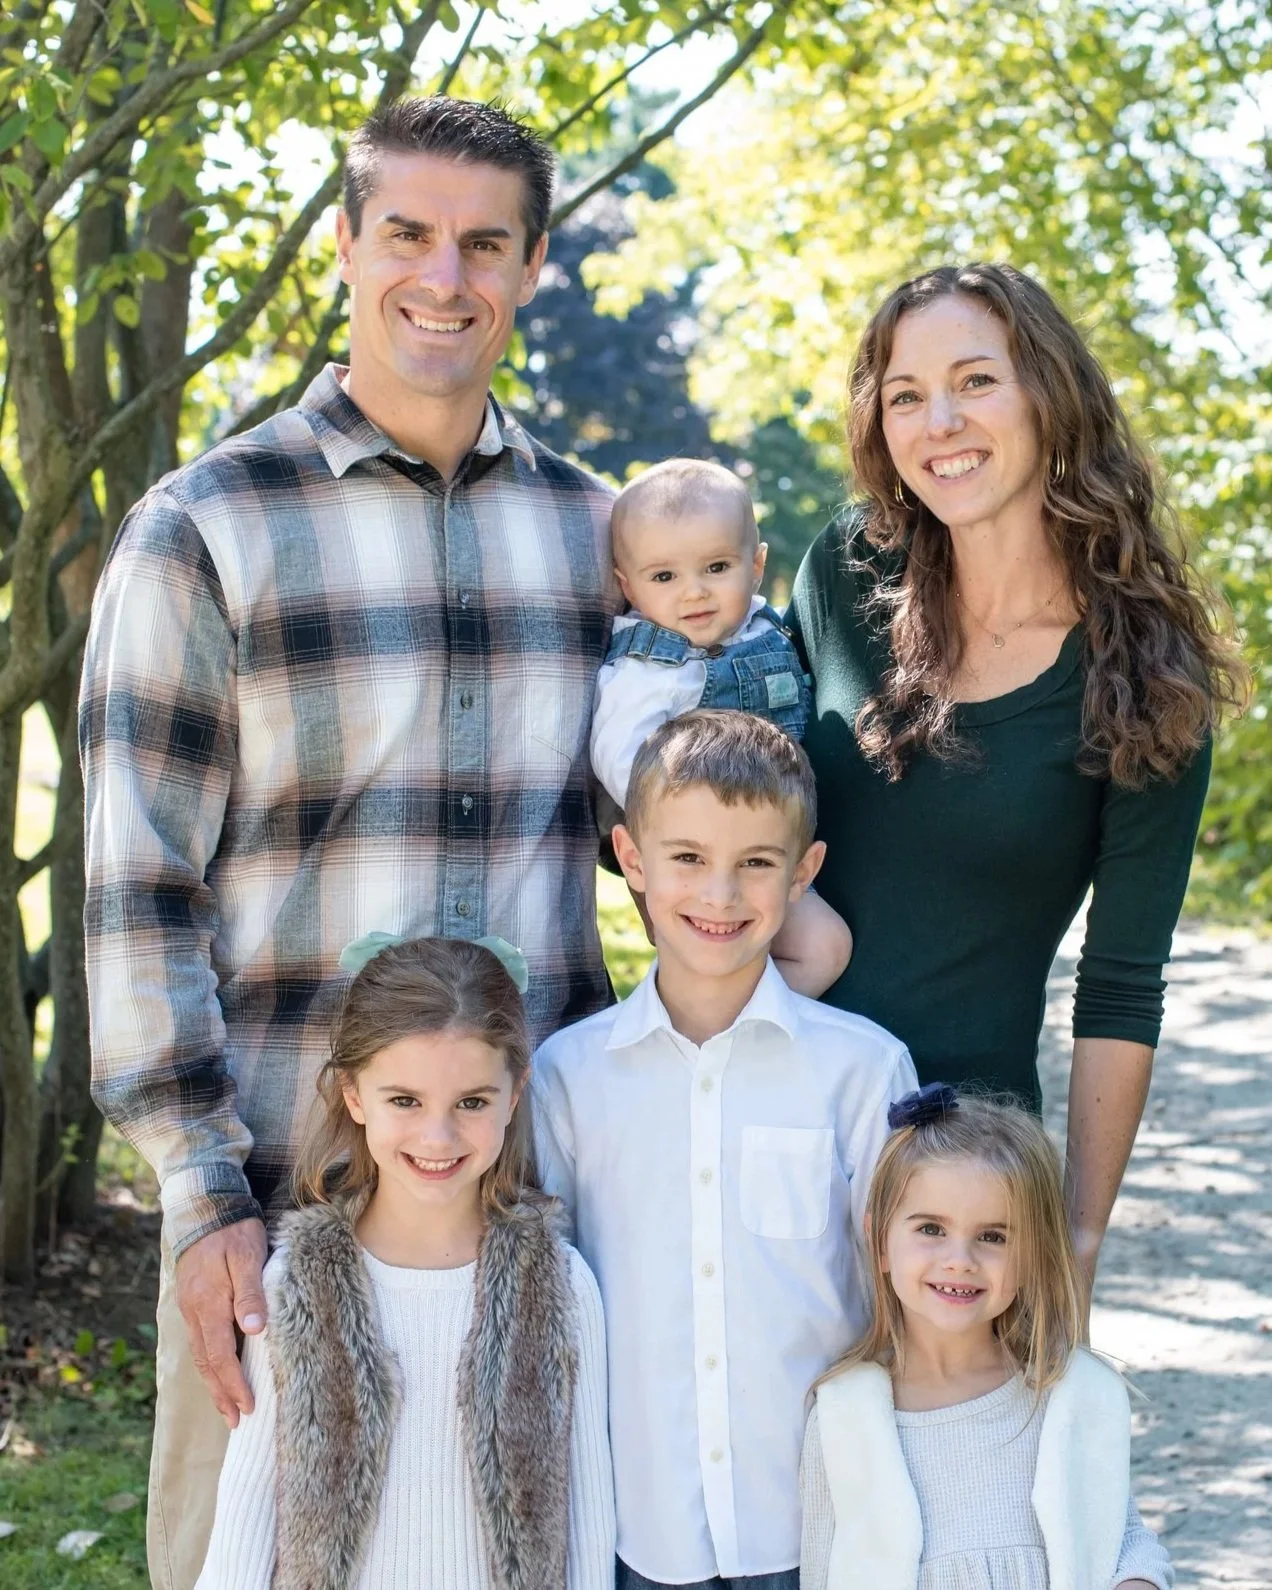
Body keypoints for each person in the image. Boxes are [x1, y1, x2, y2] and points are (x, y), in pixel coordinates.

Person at [79, 96, 617, 1590]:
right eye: (408, 234)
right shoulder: (208, 528)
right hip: (275, 1209)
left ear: (530, 269)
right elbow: (135, 885)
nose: (443, 276)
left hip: (516, 1228)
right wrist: (199, 1195)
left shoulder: (595, 539)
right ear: (343, 248)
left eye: (484, 243)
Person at [786, 262, 1247, 1289]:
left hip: (960, 1183)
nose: (939, 420)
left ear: (1050, 395)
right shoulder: (846, 572)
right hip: (767, 1123)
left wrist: (1075, 1241)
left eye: (976, 381)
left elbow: (1122, 985)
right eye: (905, 395)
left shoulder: (1145, 673)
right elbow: (738, 796)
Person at [534, 710, 918, 1590]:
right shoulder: (568, 1077)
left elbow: (905, 1299)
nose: (720, 895)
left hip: (820, 1526)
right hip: (640, 1530)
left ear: (803, 873)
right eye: (688, 859)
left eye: (755, 863)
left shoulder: (862, 1070)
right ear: (632, 861)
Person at [194, 934, 614, 1589]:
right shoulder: (298, 1283)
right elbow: (249, 1502)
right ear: (354, 1094)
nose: (437, 1136)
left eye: (472, 1102)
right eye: (405, 1100)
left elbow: (587, 1512)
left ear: (514, 1092)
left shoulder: (560, 1285)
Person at [799, 1086, 1173, 1590]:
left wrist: (1139, 1581)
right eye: (931, 1228)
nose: (960, 1259)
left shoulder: (1063, 1390)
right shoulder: (847, 1414)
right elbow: (825, 1568)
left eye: (993, 1236)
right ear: (879, 1237)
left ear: (1034, 1253)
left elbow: (1119, 1535)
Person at [590, 458, 852, 997]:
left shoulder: (766, 632)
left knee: (821, 948)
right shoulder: (651, 669)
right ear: (628, 585)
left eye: (716, 568)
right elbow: (619, 759)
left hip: (769, 849)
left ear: (755, 566)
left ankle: (733, 1033)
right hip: (701, 859)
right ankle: (713, 1029)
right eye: (665, 576)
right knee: (815, 947)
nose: (694, 593)